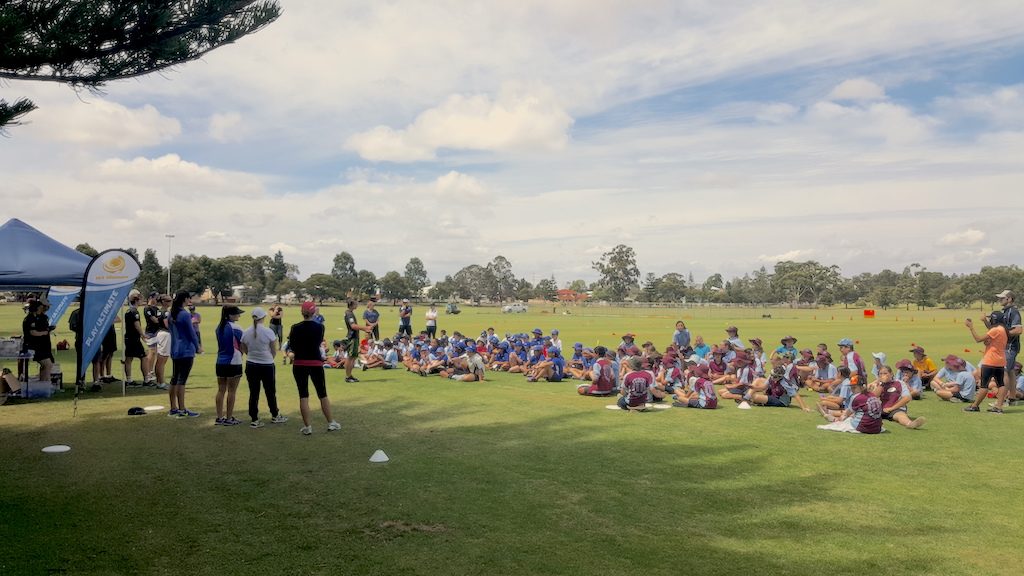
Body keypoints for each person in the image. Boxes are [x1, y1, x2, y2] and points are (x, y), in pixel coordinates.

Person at [288, 301, 340, 435]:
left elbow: (292, 345)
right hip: (315, 363)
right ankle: (330, 422)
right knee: (322, 394)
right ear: (313, 312)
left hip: (299, 363)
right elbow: (318, 342)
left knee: (303, 395)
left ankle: (307, 426)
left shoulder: (295, 327)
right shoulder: (319, 327)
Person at [240, 307, 286, 427]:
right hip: (266, 365)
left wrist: (250, 355)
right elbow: (273, 349)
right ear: (263, 317)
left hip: (251, 364)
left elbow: (243, 347)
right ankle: (275, 415)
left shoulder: (246, 331)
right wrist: (268, 357)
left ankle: (254, 419)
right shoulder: (268, 331)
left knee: (253, 392)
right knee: (270, 391)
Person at [963, 311, 1009, 413]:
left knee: (984, 385)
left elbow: (978, 339)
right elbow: (992, 341)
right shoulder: (1003, 330)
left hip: (990, 361)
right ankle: (998, 407)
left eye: (990, 319)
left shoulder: (995, 330)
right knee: (1001, 384)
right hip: (1000, 361)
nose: (990, 320)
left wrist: (971, 327)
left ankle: (975, 406)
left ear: (994, 319)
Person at [167, 291, 202, 418]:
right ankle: (182, 409)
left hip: (175, 349)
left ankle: (173, 408)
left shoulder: (171, 314)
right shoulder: (184, 314)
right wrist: (197, 346)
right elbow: (191, 333)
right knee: (182, 380)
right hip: (186, 349)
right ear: (185, 299)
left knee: (174, 378)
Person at [816, 374, 883, 434]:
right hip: (876, 428)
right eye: (851, 387)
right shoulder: (872, 395)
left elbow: (846, 414)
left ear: (862, 387)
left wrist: (839, 420)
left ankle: (832, 418)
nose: (852, 390)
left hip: (863, 427)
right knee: (853, 415)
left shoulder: (856, 397)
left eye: (854, 387)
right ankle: (830, 415)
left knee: (846, 419)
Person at [213, 305, 245, 426]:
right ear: (229, 315)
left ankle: (219, 417)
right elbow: (243, 344)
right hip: (234, 361)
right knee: (232, 391)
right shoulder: (236, 327)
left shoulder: (219, 327)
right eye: (236, 313)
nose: (239, 315)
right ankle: (229, 418)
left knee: (221, 390)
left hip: (220, 361)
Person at [996, 290, 1022, 402]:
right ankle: (1012, 397)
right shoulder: (1005, 311)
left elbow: (1019, 330)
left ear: (1009, 299)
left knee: (1004, 372)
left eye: (1002, 298)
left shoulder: (1013, 312)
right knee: (1010, 372)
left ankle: (1000, 402)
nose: (1000, 300)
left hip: (1010, 347)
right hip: (1005, 346)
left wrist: (1002, 333)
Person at [22, 300, 53, 385]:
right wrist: (44, 333)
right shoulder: (30, 318)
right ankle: (46, 384)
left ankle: (43, 384)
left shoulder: (41, 317)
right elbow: (32, 332)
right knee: (48, 365)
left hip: (43, 345)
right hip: (35, 346)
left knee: (45, 366)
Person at [342, 299, 373, 383]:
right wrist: (365, 328)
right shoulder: (349, 314)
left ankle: (350, 375)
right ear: (352, 305)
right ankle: (348, 376)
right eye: (356, 303)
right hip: (352, 337)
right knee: (350, 356)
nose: (357, 305)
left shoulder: (350, 313)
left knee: (353, 356)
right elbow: (353, 326)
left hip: (354, 337)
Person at [123, 290, 148, 387]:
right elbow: (137, 325)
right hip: (134, 338)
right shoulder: (134, 312)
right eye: (141, 299)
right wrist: (143, 335)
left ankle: (129, 380)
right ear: (137, 300)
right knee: (144, 357)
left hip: (128, 338)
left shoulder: (128, 311)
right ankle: (146, 379)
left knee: (128, 359)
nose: (142, 301)